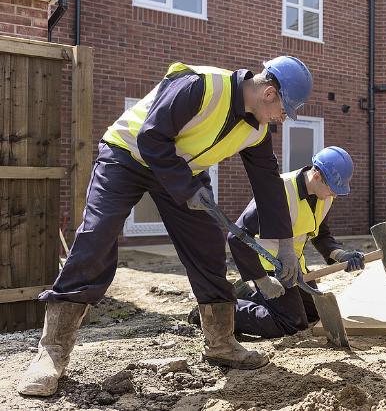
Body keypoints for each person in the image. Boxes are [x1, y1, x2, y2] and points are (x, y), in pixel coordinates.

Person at [18, 56, 313, 397]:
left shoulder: (257, 129)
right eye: (284, 111)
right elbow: (152, 137)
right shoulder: (200, 85)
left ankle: (220, 343)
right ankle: (51, 354)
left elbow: (268, 184)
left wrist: (287, 246)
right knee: (96, 238)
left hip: (182, 170)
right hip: (127, 155)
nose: (282, 120)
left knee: (208, 249)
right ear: (269, 93)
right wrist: (187, 191)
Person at [188, 146, 366, 338]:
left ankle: (250, 295)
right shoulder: (278, 190)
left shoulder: (324, 196)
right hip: (267, 267)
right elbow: (236, 238)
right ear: (316, 176)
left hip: (294, 267)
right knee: (290, 323)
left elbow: (321, 236)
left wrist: (342, 255)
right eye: (333, 188)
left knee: (314, 313)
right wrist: (262, 280)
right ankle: (214, 310)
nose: (335, 195)